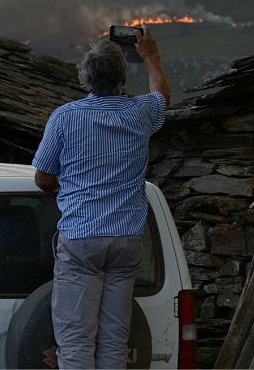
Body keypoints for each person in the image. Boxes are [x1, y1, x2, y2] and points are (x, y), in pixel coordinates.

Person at [32, 28, 171, 369]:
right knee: (113, 341)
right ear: (124, 76)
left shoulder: (65, 117)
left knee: (77, 342)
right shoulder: (141, 114)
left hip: (81, 239)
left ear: (86, 77)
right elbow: (162, 95)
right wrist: (151, 56)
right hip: (125, 241)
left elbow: (42, 179)